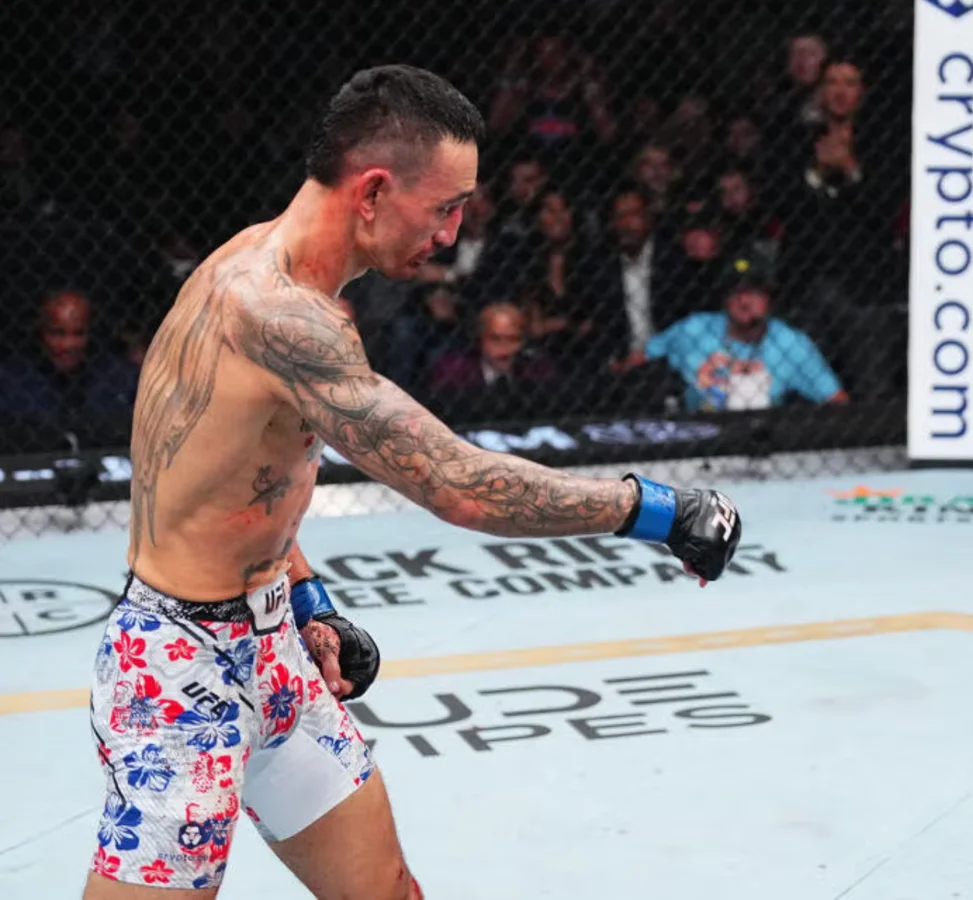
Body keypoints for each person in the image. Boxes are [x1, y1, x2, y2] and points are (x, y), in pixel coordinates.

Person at [87, 65, 742, 900]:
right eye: (446, 207)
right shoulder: (277, 313)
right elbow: (458, 485)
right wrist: (654, 509)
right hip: (180, 673)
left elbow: (223, 476)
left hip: (272, 641)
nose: (455, 233)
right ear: (372, 191)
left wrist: (309, 599)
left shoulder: (264, 268)